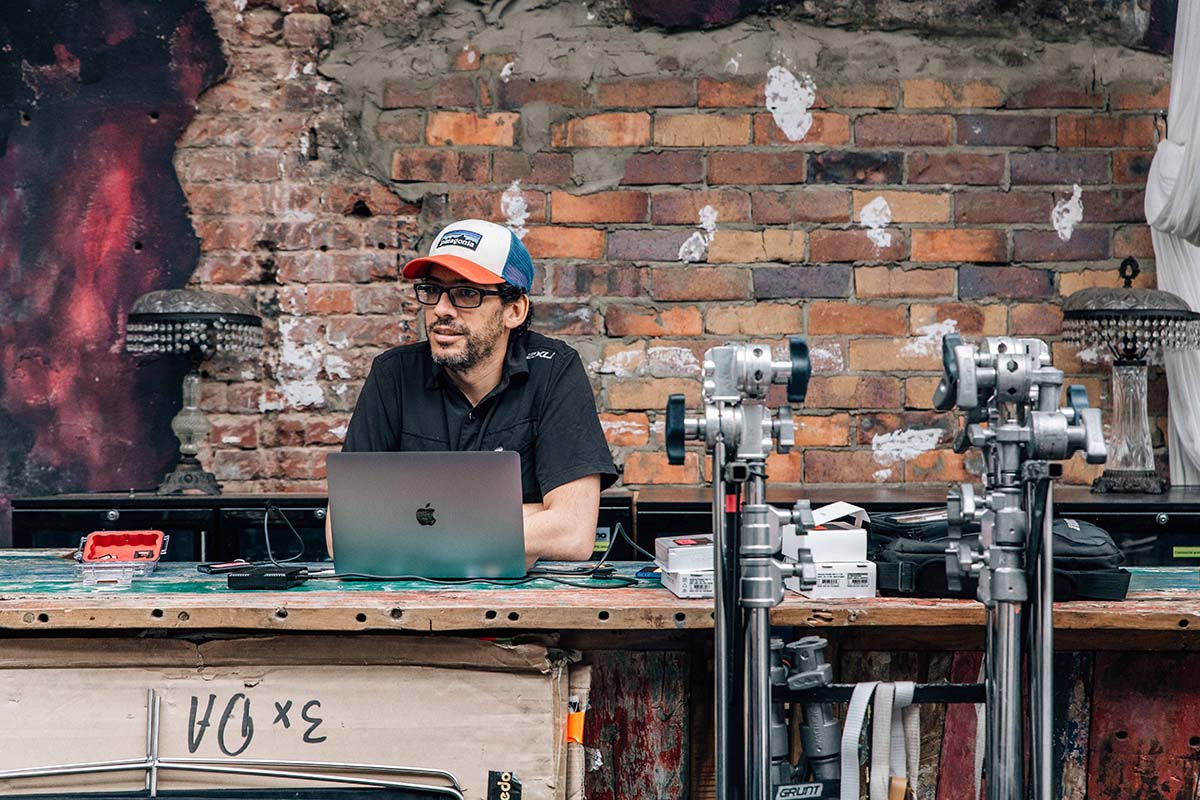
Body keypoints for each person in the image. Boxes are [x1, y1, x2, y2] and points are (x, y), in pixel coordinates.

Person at [325, 219, 618, 566]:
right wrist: (528, 517)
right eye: (432, 290)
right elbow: (342, 533)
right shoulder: (394, 375)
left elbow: (573, 533)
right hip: (409, 605)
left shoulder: (554, 371)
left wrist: (419, 524)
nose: (441, 310)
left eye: (466, 293)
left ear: (514, 310)